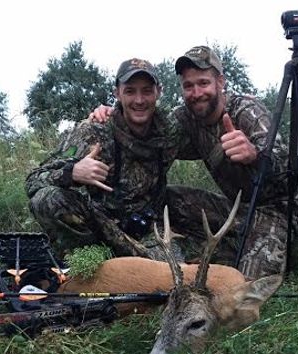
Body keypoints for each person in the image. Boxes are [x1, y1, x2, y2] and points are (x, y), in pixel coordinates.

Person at [91, 46, 298, 279]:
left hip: (278, 207)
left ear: (220, 82)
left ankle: (272, 245)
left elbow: (287, 169)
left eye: (203, 83)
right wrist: (112, 114)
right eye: (188, 86)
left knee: (245, 285)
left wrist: (255, 155)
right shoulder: (184, 118)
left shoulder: (246, 111)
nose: (196, 92)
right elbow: (147, 127)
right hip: (238, 208)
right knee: (167, 197)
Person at [26, 58, 182, 259]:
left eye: (146, 91)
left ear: (158, 92)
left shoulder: (171, 131)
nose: (139, 100)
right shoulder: (93, 132)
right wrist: (72, 172)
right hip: (100, 229)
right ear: (117, 93)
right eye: (130, 91)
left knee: (173, 275)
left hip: (150, 231)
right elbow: (33, 180)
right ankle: (88, 260)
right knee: (47, 199)